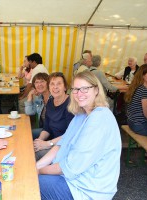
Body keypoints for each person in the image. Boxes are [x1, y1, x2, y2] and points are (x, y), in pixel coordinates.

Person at [37, 71, 121, 200]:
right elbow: (61, 143)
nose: (79, 94)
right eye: (76, 89)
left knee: (31, 184)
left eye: (85, 89)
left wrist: (38, 171)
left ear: (96, 90)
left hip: (86, 189)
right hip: (73, 177)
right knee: (31, 174)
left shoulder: (100, 119)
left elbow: (68, 168)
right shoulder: (81, 114)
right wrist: (37, 166)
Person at [33, 72, 74, 160]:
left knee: (34, 155)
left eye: (59, 84)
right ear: (49, 87)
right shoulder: (50, 102)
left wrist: (47, 144)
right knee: (28, 137)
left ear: (65, 87)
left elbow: (71, 134)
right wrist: (39, 142)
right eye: (52, 84)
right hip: (52, 138)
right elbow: (47, 127)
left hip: (64, 145)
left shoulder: (70, 105)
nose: (55, 87)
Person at [124, 64, 147, 136]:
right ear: (143, 75)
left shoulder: (136, 87)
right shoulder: (145, 91)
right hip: (140, 126)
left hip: (131, 122)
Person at [24, 73, 50, 139]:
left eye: (42, 81)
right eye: (36, 82)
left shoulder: (54, 97)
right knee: (24, 133)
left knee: (26, 135)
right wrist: (30, 96)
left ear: (48, 83)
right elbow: (29, 112)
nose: (39, 84)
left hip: (52, 131)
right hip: (44, 129)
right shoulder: (40, 98)